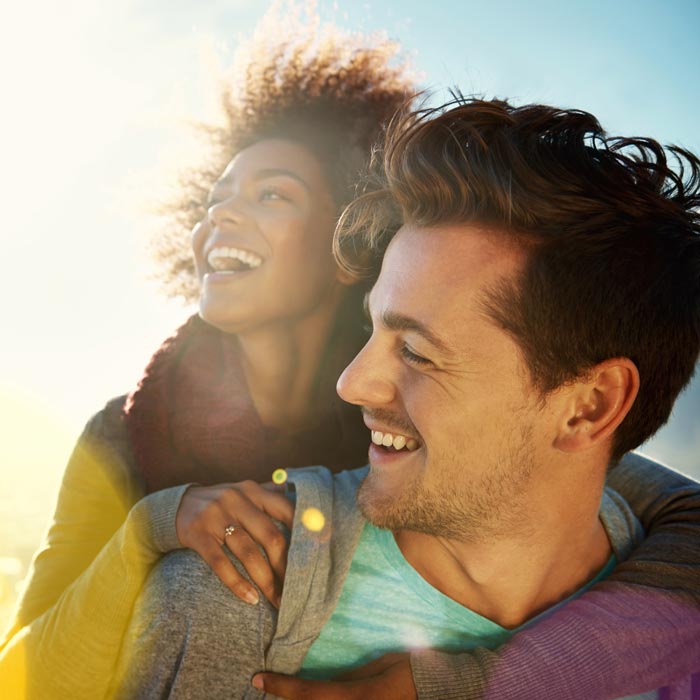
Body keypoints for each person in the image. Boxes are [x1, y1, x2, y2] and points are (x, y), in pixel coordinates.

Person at [0, 4, 697, 697]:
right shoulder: (127, 435)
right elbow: (24, 678)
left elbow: (657, 513)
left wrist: (466, 684)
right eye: (215, 197)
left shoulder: (471, 412)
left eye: (273, 194)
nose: (221, 215)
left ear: (346, 248)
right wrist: (148, 530)